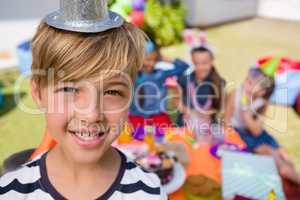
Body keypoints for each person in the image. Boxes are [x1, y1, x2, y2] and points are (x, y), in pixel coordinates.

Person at [0, 2, 167, 199]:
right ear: (38, 93)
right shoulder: (10, 192)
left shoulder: (150, 192)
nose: (92, 114)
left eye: (112, 92)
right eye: (69, 89)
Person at [225, 65, 300, 185]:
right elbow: (226, 121)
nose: (245, 85)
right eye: (247, 80)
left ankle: (292, 174)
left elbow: (258, 131)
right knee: (273, 156)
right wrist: (246, 113)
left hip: (257, 133)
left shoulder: (263, 102)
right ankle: (287, 172)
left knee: (284, 156)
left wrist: (248, 112)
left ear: (262, 92)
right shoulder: (236, 94)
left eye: (250, 84)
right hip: (239, 132)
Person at [129, 40, 189, 128]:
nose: (152, 63)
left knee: (165, 140)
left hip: (159, 119)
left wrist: (163, 58)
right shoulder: (132, 76)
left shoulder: (161, 74)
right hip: (136, 120)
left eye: (155, 60)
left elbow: (184, 67)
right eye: (148, 60)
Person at [173, 46, 225, 142]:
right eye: (196, 63)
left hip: (207, 126)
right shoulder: (185, 79)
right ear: (192, 62)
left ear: (212, 61)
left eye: (204, 63)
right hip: (186, 124)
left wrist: (209, 113)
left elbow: (220, 108)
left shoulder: (218, 82)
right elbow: (176, 100)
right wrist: (185, 110)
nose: (200, 67)